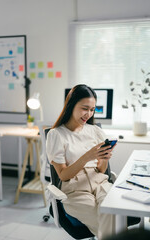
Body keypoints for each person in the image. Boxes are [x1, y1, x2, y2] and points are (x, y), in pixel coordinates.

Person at [46, 84, 116, 239]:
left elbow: (102, 170)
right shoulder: (56, 134)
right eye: (85, 108)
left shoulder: (95, 130)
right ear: (71, 105)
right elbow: (63, 176)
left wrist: (104, 158)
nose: (89, 114)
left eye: (92, 109)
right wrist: (87, 157)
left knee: (115, 214)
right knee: (105, 224)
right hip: (75, 189)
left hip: (100, 183)